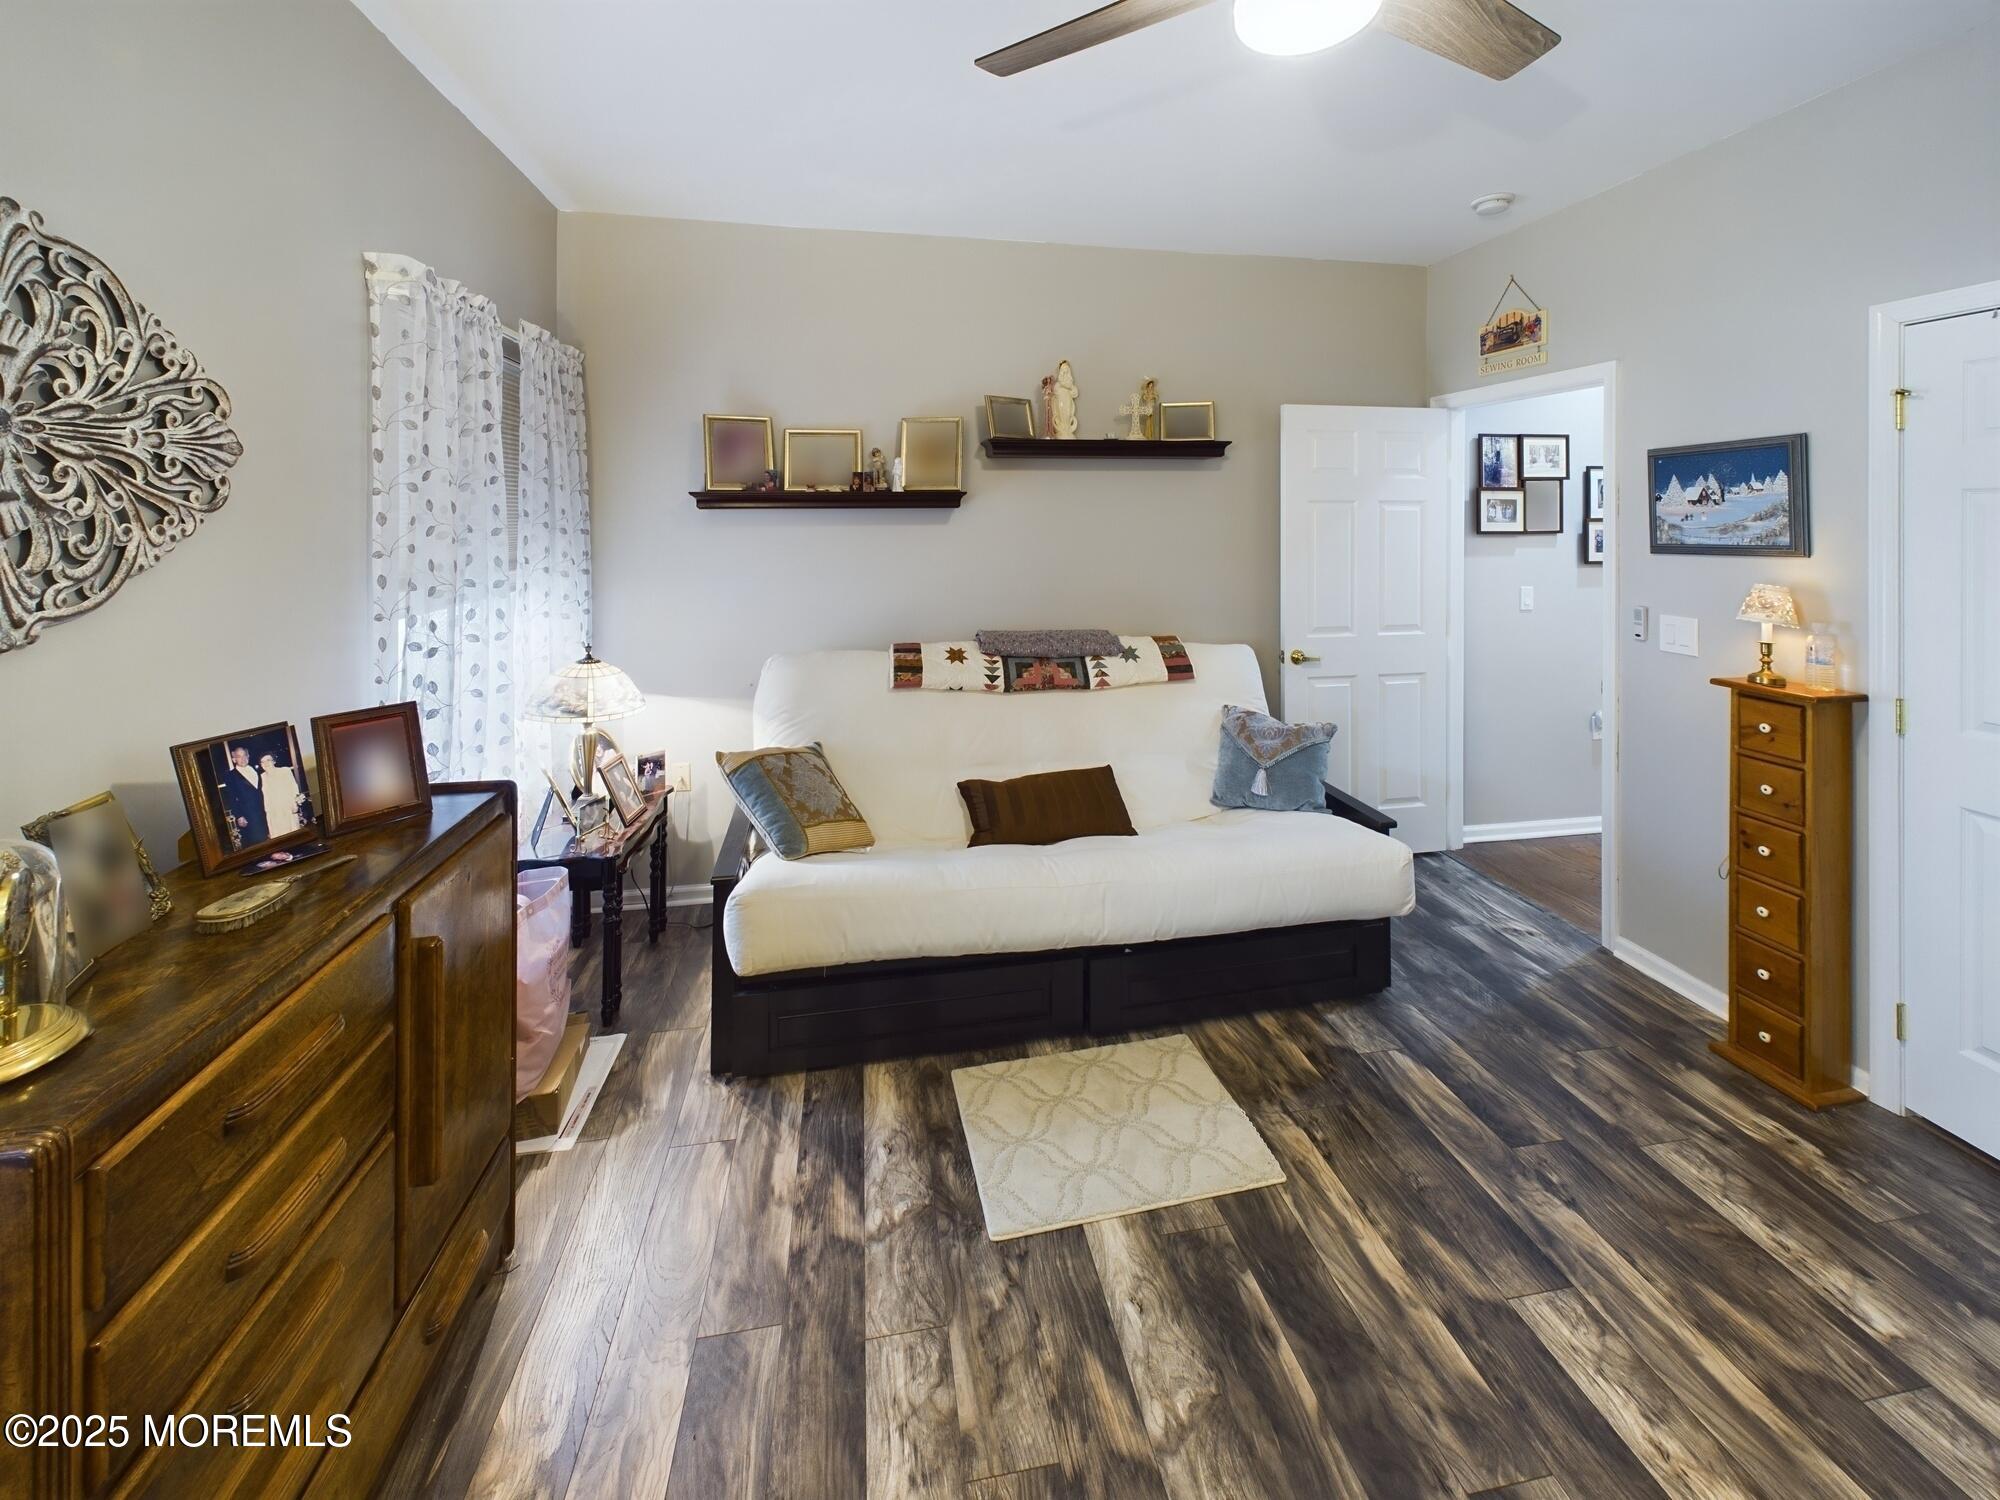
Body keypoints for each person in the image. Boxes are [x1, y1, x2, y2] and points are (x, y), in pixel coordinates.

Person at [217, 744, 268, 849]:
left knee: (268, 840)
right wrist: (239, 816)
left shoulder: (257, 770)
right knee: (255, 844)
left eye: (244, 755)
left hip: (265, 811)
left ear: (248, 756)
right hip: (248, 815)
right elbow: (231, 797)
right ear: (234, 759)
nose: (243, 758)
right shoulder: (230, 775)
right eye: (239, 756)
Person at [260, 752, 307, 837]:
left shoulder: (285, 771)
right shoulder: (262, 777)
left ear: (274, 761)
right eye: (262, 762)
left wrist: (295, 804)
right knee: (278, 837)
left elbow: (294, 787)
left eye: (268, 760)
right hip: (273, 813)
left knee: (293, 834)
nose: (266, 763)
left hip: (288, 809)